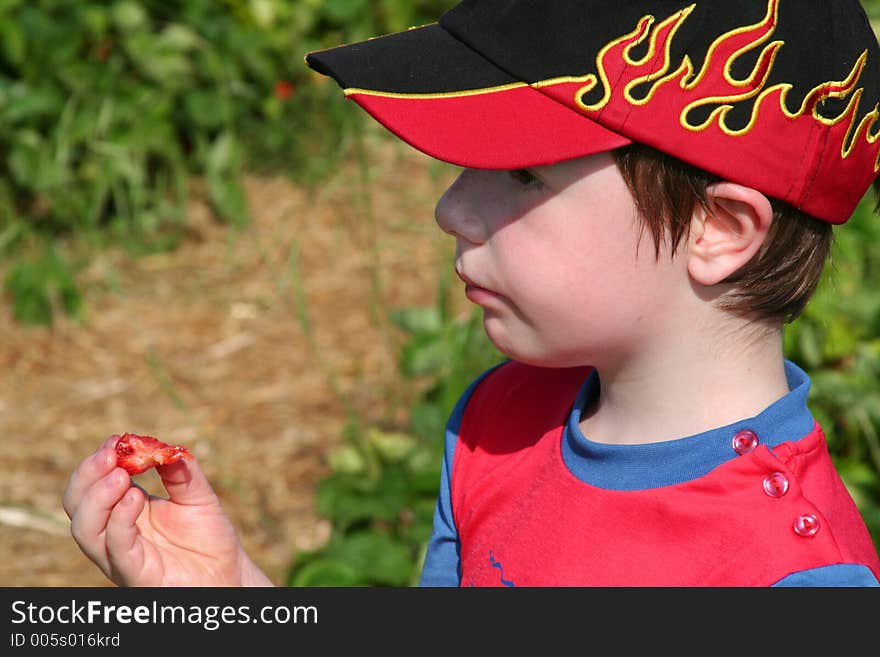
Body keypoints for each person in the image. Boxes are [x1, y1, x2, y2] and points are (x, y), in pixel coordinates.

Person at [64, 0, 880, 586]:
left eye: (521, 172)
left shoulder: (792, 575)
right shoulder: (500, 422)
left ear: (720, 229)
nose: (449, 209)